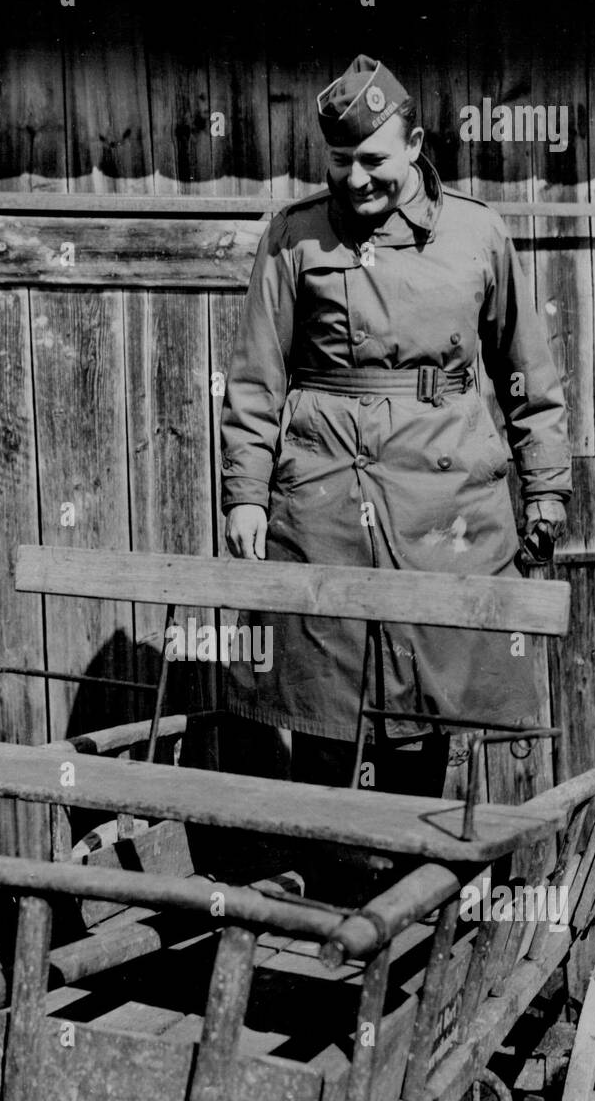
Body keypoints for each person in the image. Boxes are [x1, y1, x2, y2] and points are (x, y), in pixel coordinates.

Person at [220, 53, 571, 797]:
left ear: (413, 146)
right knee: (325, 706)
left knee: (429, 709)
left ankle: (414, 862)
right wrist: (244, 495)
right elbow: (256, 379)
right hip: (326, 501)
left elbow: (528, 376)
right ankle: (333, 865)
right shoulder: (293, 237)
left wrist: (545, 488)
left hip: (447, 501)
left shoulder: (476, 233)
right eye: (340, 160)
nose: (355, 178)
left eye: (373, 160)